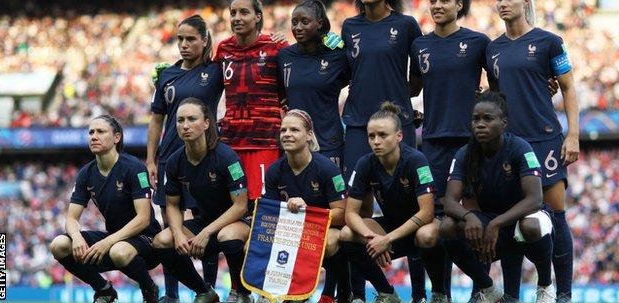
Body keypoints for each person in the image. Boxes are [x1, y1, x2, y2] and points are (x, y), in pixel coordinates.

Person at [486, 0, 580, 303]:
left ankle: (562, 293)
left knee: (556, 215)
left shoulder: (549, 41)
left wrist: (573, 135)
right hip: (508, 146)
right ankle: (511, 294)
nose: (502, 3)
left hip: (544, 140)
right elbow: (497, 97)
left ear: (526, 0)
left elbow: (568, 88)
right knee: (514, 219)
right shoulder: (492, 49)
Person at [340, 0, 424, 302]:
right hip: (359, 125)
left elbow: (418, 77)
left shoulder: (406, 25)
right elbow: (345, 73)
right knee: (356, 211)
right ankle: (365, 292)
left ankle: (420, 294)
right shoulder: (349, 26)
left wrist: (401, 100)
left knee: (410, 208)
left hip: (398, 122)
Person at [409, 0, 494, 302]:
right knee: (434, 221)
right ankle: (440, 292)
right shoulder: (421, 46)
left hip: (470, 144)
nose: (437, 6)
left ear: (459, 5)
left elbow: (499, 88)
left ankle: (480, 289)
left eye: (445, 0)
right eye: (433, 0)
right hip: (432, 143)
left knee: (470, 218)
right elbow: (413, 88)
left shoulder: (478, 42)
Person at [440, 92, 556, 303]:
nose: (480, 124)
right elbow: (448, 201)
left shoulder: (520, 148)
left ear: (504, 123)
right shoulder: (464, 154)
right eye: (476, 119)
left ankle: (546, 284)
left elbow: (535, 199)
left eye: (488, 118)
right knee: (447, 227)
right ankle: (488, 287)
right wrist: (469, 216)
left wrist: (496, 223)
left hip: (526, 217)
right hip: (491, 220)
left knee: (529, 226)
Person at [147, 14, 223, 303]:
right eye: (180, 39)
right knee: (171, 228)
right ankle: (171, 293)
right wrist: (151, 159)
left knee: (207, 225)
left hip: (205, 159)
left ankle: (208, 289)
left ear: (205, 40)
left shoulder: (215, 71)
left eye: (191, 38)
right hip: (169, 159)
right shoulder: (167, 75)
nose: (184, 44)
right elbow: (156, 120)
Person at [340, 102, 448, 303]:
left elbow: (426, 213)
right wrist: (371, 237)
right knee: (347, 233)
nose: (376, 141)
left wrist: (387, 239)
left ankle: (440, 293)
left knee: (426, 235)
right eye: (371, 136)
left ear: (399, 136)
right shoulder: (365, 163)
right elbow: (351, 214)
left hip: (423, 225)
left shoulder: (416, 160)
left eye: (382, 135)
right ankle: (387, 293)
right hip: (392, 226)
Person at [50, 115, 162, 303]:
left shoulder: (134, 167)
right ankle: (103, 290)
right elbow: (71, 219)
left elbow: (143, 219)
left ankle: (148, 287)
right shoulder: (86, 173)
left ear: (116, 138)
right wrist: (77, 237)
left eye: (100, 131)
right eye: (91, 132)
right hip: (114, 241)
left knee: (118, 251)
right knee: (59, 245)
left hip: (146, 240)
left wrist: (107, 242)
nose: (93, 136)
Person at [152, 98, 252, 303]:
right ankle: (204, 291)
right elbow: (171, 204)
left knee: (227, 235)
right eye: (180, 120)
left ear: (207, 123)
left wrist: (207, 232)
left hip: (237, 222)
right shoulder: (174, 162)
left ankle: (241, 292)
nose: (185, 125)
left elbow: (240, 206)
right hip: (204, 221)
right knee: (162, 241)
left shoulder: (226, 157)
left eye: (191, 119)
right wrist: (178, 234)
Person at [264, 109, 350, 303]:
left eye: (294, 130)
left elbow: (342, 214)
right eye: (283, 130)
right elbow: (271, 214)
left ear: (309, 135)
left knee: (330, 242)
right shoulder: (273, 172)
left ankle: (334, 294)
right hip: (290, 230)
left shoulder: (328, 169)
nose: (287, 134)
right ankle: (290, 293)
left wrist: (307, 211)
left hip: (325, 229)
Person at [214, 0, 289, 204]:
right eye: (233, 13)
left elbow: (293, 87)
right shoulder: (224, 49)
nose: (237, 18)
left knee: (261, 205)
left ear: (258, 16)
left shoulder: (276, 47)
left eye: (244, 12)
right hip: (230, 142)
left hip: (264, 141)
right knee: (231, 205)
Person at [277, 0, 349, 170]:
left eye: (304, 21)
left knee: (332, 195)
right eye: (294, 22)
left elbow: (359, 82)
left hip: (329, 142)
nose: (298, 27)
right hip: (296, 143)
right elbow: (281, 95)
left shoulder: (338, 55)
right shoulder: (284, 56)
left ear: (319, 24)